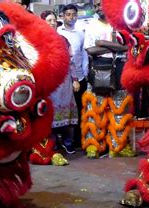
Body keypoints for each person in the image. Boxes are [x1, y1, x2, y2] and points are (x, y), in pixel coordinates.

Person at [80, 0, 134, 158]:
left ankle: (118, 146)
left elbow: (127, 47)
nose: (98, 7)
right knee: (95, 108)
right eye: (95, 5)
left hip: (120, 68)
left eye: (100, 4)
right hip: (99, 68)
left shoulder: (122, 24)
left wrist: (102, 43)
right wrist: (114, 45)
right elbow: (91, 50)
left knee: (120, 108)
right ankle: (93, 146)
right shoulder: (91, 25)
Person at [41, 10, 78, 154]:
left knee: (67, 111)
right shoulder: (38, 40)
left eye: (54, 20)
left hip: (64, 83)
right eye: (49, 20)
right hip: (48, 83)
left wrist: (75, 80)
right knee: (50, 113)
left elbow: (71, 62)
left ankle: (68, 142)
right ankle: (53, 142)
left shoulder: (63, 40)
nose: (52, 23)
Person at [58, 4, 89, 150]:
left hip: (80, 77)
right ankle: (64, 139)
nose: (71, 17)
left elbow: (83, 55)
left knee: (80, 108)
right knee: (65, 108)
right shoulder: (57, 32)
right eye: (68, 14)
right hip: (65, 79)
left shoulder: (81, 34)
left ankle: (78, 140)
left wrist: (85, 72)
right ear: (63, 16)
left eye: (73, 14)